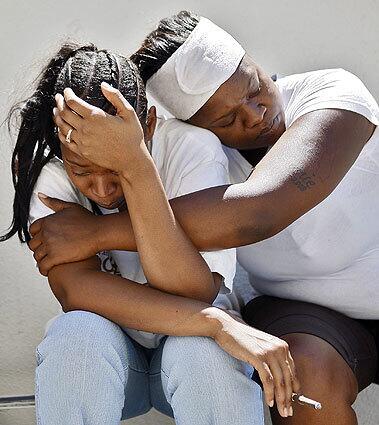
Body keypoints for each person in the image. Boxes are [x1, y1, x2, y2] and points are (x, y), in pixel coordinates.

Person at [24, 10, 378, 425]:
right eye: (228, 118)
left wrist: (98, 231)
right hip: (307, 315)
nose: (255, 114)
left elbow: (259, 209)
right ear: (196, 125)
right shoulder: (209, 153)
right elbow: (79, 287)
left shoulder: (332, 93)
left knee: (206, 348)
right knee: (302, 379)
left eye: (254, 87)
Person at [1, 42, 300, 425]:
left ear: (151, 126)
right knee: (76, 335)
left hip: (187, 354)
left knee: (202, 353)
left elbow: (195, 290)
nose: (103, 191)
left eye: (113, 172)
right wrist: (216, 321)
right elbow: (76, 291)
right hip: (115, 354)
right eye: (83, 172)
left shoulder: (190, 149)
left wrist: (137, 168)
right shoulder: (51, 176)